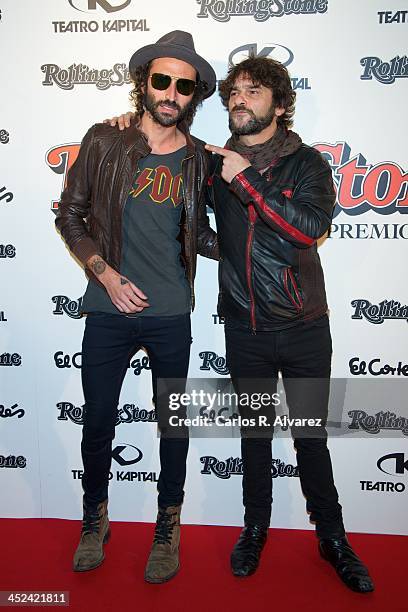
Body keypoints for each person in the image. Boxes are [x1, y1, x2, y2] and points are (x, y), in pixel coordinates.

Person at [108, 56, 374, 593]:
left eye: (253, 92)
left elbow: (309, 229)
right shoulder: (212, 163)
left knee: (310, 437)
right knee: (254, 438)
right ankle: (254, 529)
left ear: (279, 104)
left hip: (302, 325)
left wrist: (247, 180)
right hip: (244, 327)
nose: (239, 100)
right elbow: (190, 222)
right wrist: (229, 256)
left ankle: (334, 539)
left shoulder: (306, 165)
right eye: (234, 93)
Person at [55, 30, 218, 584]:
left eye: (184, 85)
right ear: (144, 84)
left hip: (172, 311)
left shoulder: (201, 160)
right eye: (162, 80)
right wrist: (104, 273)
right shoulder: (104, 141)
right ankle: (94, 518)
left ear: (194, 96)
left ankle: (167, 527)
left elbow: (210, 231)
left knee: (173, 425)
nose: (171, 92)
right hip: (106, 308)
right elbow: (70, 216)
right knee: (98, 419)